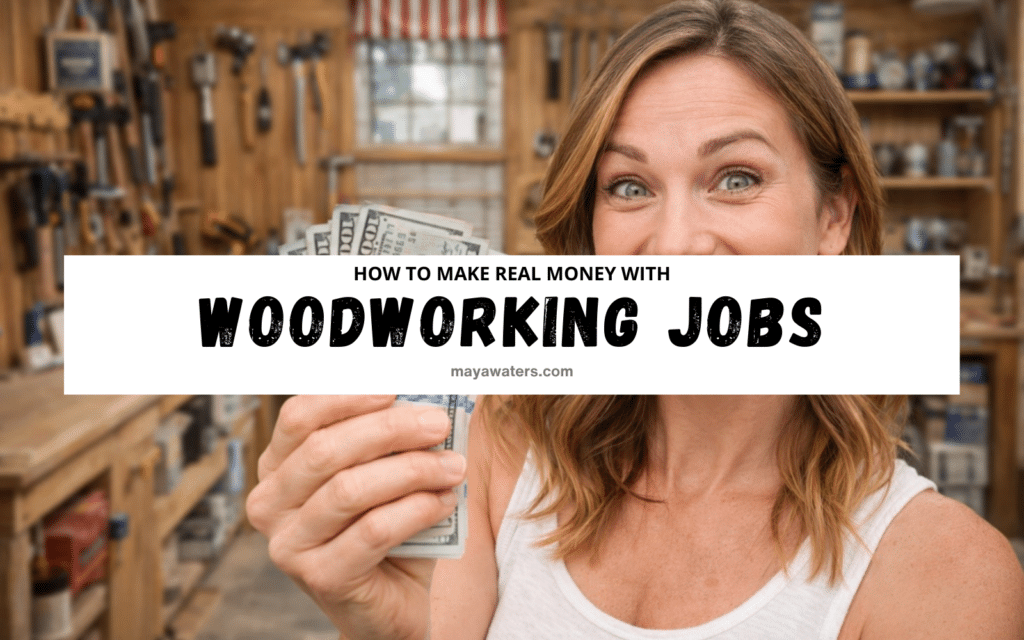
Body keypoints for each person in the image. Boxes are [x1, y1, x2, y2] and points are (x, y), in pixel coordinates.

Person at [246, 1, 1024, 638]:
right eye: (628, 187)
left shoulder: (944, 576)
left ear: (834, 218)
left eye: (736, 177)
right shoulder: (493, 456)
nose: (676, 245)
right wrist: (387, 627)